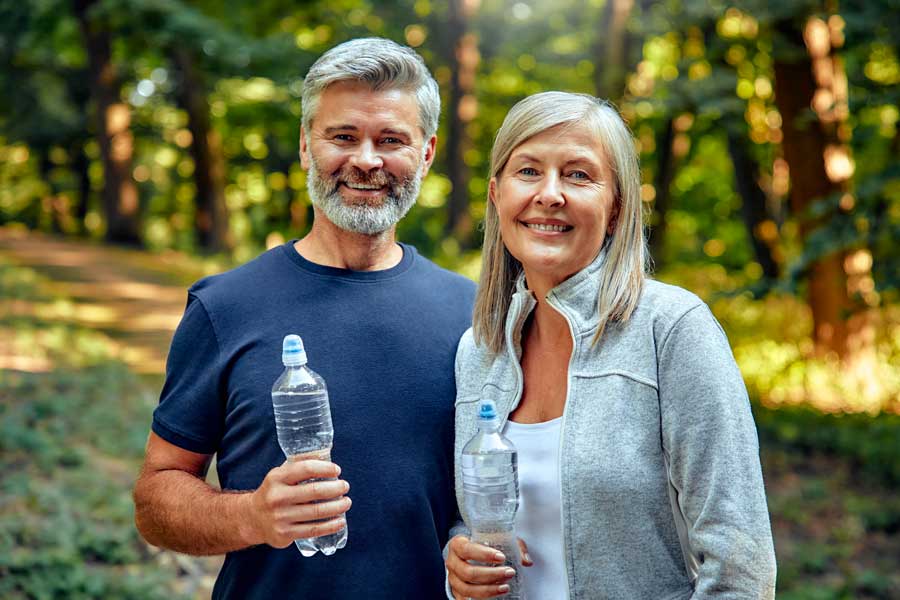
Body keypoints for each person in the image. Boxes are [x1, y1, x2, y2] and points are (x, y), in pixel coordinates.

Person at [133, 38, 476, 600]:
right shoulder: (225, 306)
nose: (366, 160)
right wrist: (252, 517)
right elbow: (155, 499)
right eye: (343, 137)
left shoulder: (473, 314)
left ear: (428, 152)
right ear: (305, 146)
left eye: (391, 140)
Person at [445, 92, 777, 599]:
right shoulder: (479, 350)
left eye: (578, 175)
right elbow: (472, 522)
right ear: (496, 194)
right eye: (528, 171)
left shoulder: (672, 329)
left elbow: (740, 564)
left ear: (616, 205)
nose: (549, 194)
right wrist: (460, 560)